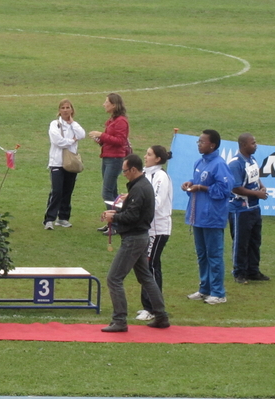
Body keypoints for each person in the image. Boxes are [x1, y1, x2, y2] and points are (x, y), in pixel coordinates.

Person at [100, 154, 171, 332]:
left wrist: (113, 216)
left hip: (133, 239)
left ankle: (120, 320)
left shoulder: (139, 189)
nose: (123, 174)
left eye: (124, 171)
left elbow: (133, 216)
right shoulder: (142, 186)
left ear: (133, 169)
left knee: (114, 278)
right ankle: (161, 316)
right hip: (140, 237)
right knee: (146, 277)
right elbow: (134, 212)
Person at [182, 129, 233, 305]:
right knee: (202, 255)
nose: (199, 144)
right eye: (198, 141)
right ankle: (205, 289)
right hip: (198, 216)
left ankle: (219, 292)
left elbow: (225, 190)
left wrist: (201, 188)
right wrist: (190, 184)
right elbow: (200, 182)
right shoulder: (199, 162)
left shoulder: (219, 164)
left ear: (212, 145)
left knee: (214, 255)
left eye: (202, 142)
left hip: (212, 217)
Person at [136, 145, 173, 321]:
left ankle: (152, 307)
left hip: (158, 228)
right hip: (147, 227)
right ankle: (150, 305)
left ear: (158, 159)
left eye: (149, 154)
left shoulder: (161, 177)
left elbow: (156, 202)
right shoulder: (145, 173)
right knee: (150, 265)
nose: (145, 156)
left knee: (149, 266)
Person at [228, 133, 270, 285]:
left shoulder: (251, 159)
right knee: (241, 242)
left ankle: (253, 270)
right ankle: (239, 272)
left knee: (255, 241)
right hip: (240, 209)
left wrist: (261, 186)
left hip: (254, 207)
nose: (256, 145)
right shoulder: (235, 163)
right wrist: (256, 193)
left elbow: (255, 176)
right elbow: (235, 188)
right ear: (244, 145)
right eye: (253, 143)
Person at [89, 93, 129, 233]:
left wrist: (102, 135)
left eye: (106, 102)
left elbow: (120, 141)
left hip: (115, 159)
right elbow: (112, 139)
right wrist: (100, 140)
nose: (104, 104)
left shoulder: (121, 122)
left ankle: (114, 224)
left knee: (107, 192)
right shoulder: (113, 120)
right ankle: (116, 222)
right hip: (108, 157)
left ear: (114, 105)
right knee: (112, 192)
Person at [43, 99, 85, 230]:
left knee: (68, 190)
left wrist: (72, 123)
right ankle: (49, 219)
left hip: (70, 163)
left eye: (68, 107)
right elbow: (57, 141)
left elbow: (82, 134)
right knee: (57, 191)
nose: (65, 110)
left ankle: (63, 218)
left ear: (72, 110)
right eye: (63, 107)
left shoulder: (74, 125)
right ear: (59, 110)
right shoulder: (54, 124)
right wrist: (72, 141)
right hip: (56, 163)